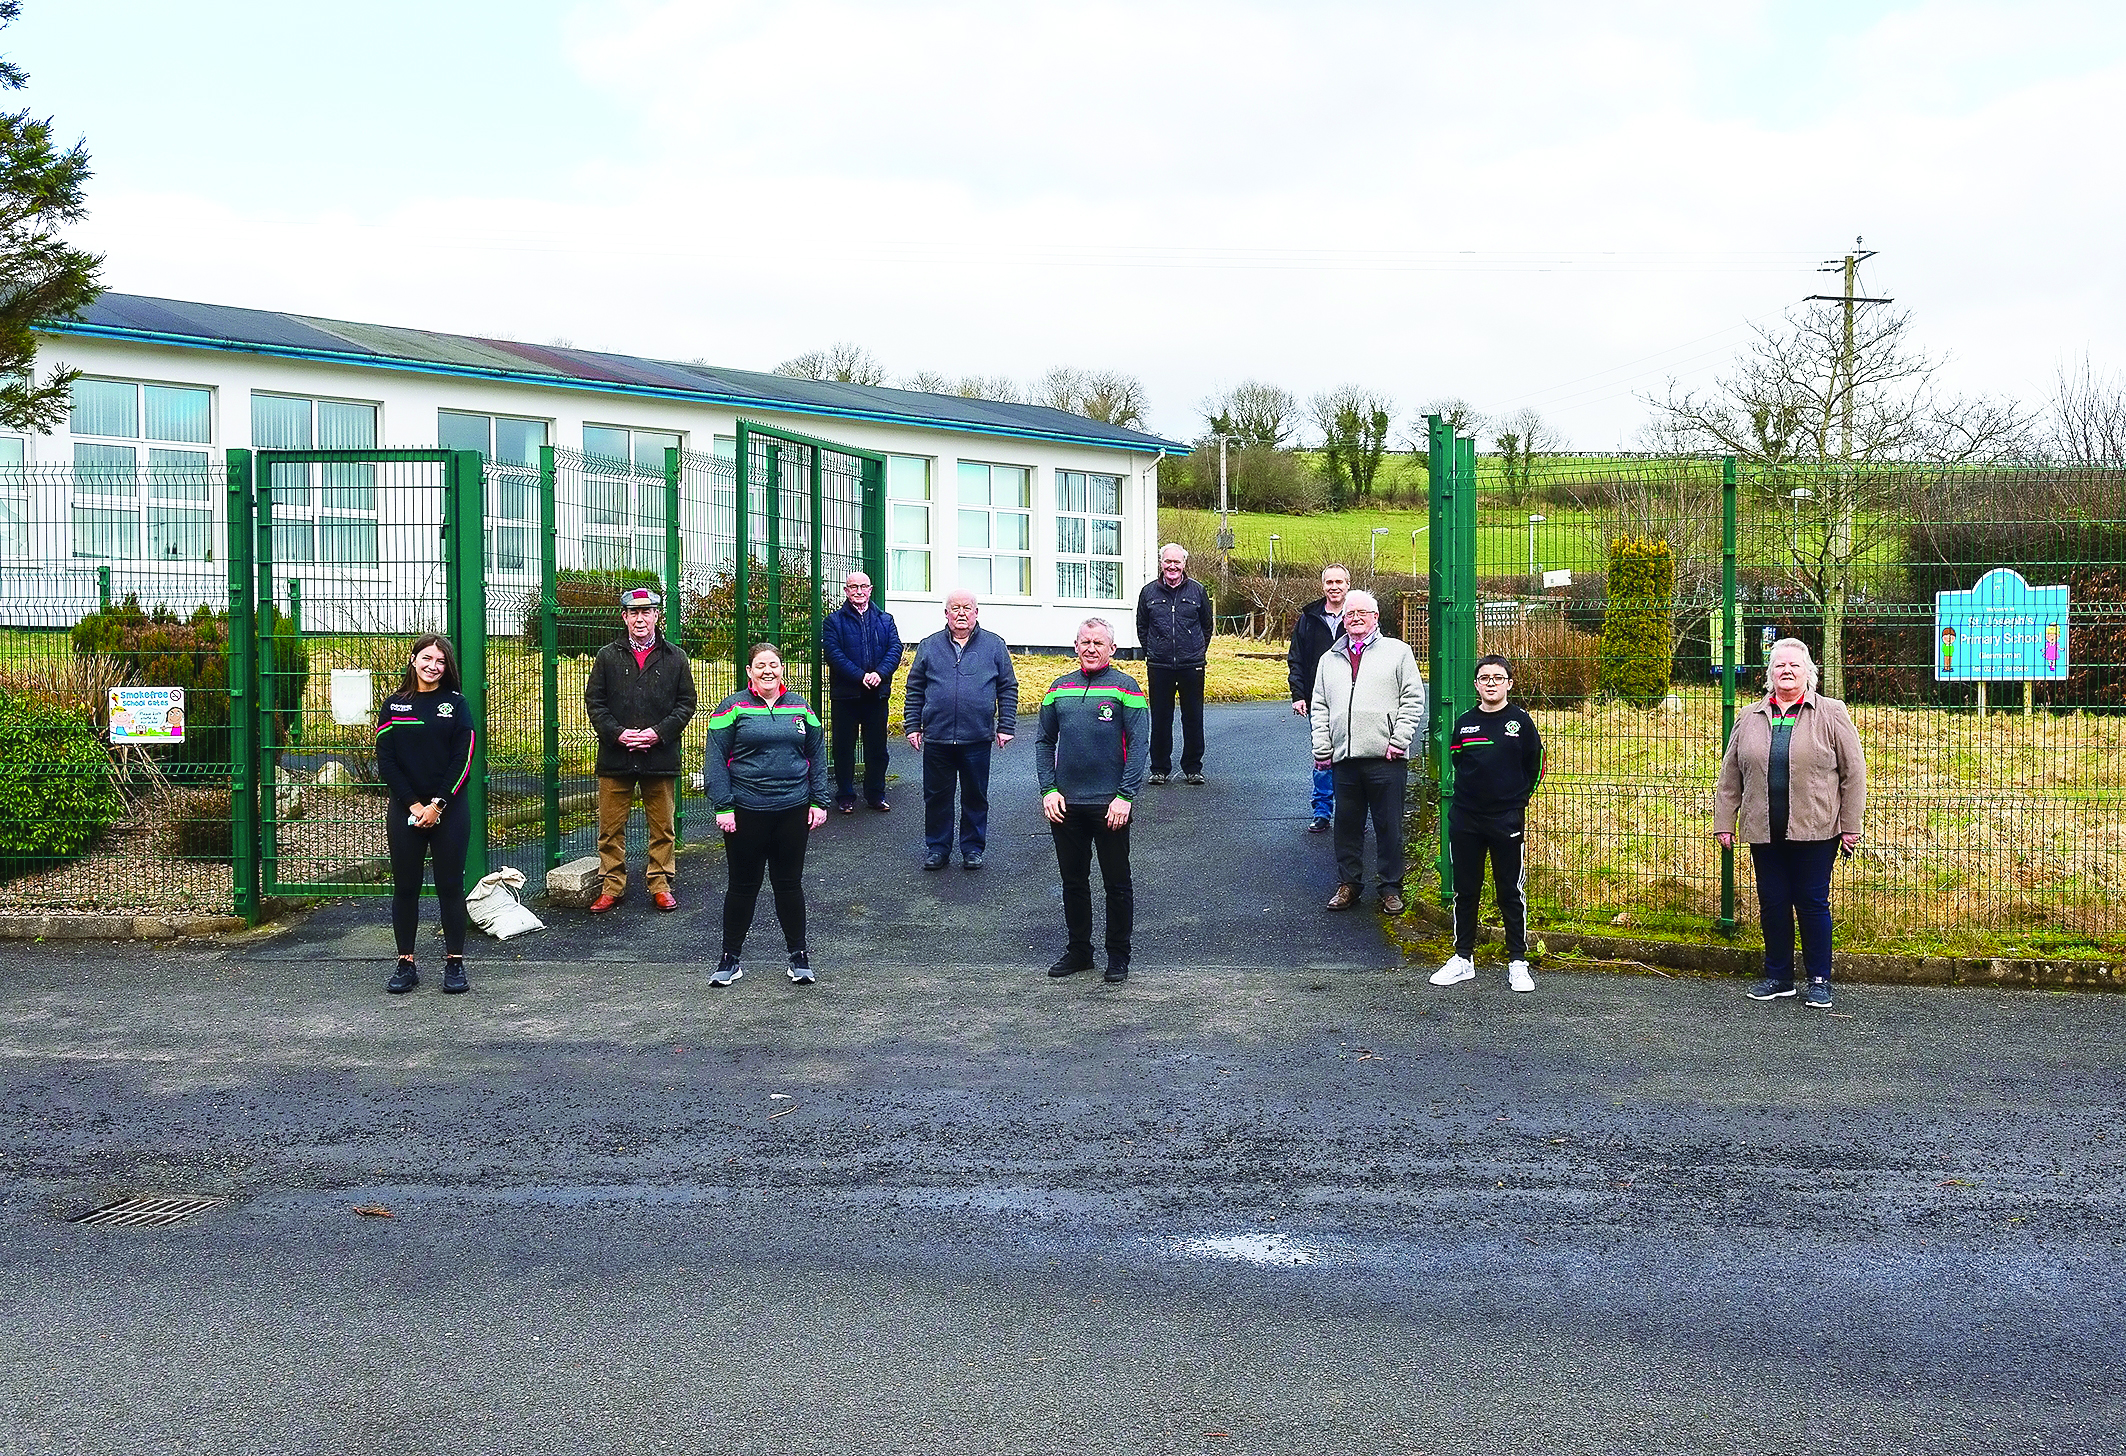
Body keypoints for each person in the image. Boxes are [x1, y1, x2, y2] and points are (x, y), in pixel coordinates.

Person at [1715, 637, 1866, 1009]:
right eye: (1779, 665)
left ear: (1809, 672)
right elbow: (1730, 773)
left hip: (1816, 828)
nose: (1786, 671)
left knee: (1812, 902)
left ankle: (1818, 980)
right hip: (1763, 827)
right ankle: (1779, 977)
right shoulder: (1749, 717)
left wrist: (1851, 825)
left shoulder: (1832, 713)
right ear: (1769, 674)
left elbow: (1854, 773)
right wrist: (1724, 821)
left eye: (1794, 665)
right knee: (1773, 902)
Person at [703, 642, 831, 987]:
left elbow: (817, 756)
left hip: (793, 809)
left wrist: (820, 801)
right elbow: (715, 758)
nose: (767, 671)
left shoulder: (801, 707)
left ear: (782, 668)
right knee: (742, 886)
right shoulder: (732, 707)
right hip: (745, 812)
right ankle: (730, 959)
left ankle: (798, 958)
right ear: (749, 671)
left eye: (773, 664)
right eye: (760, 665)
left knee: (789, 884)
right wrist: (724, 805)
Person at [1036, 617, 1149, 984]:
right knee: (1073, 881)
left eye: (1098, 643)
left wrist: (1125, 796)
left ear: (1112, 649)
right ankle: (1080, 952)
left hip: (1110, 805)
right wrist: (1048, 790)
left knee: (1117, 883)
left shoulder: (1126, 689)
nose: (1090, 648)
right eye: (1085, 642)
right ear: (1075, 645)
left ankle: (1118, 956)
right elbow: (1043, 742)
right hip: (1066, 805)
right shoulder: (1058, 689)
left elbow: (1139, 746)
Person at [1430, 654, 1546, 994]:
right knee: (1466, 891)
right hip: (1466, 819)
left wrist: (1516, 801)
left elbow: (1535, 765)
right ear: (1476, 685)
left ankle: (1517, 962)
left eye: (1498, 677)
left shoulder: (1520, 723)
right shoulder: (1465, 723)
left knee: (1509, 891)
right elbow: (1456, 759)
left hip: (1506, 819)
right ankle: (1463, 959)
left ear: (1509, 683)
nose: (1491, 683)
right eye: (1484, 678)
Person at [1310, 590, 1426, 916]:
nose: (1356, 618)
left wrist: (1399, 739)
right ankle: (1349, 884)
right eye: (1350, 614)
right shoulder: (1329, 659)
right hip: (1344, 758)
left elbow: (1413, 699)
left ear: (1376, 617)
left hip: (1386, 756)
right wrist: (1323, 747)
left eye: (1363, 612)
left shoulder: (1398, 653)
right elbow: (1319, 706)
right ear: (1342, 619)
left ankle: (1390, 888)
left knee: (1388, 825)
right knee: (1346, 824)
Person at [582, 586, 698, 914]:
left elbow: (685, 703)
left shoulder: (675, 657)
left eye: (646, 612)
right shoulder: (607, 656)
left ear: (657, 616)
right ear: (624, 617)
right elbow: (595, 702)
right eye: (633, 612)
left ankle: (660, 884)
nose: (640, 619)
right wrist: (617, 734)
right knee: (610, 828)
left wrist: (657, 733)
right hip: (615, 756)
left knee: (662, 827)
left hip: (658, 756)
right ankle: (612, 886)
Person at [375, 634, 477, 995]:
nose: (433, 667)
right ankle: (406, 963)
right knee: (406, 888)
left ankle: (455, 963)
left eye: (441, 661)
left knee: (450, 887)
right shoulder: (394, 705)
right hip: (406, 810)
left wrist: (438, 805)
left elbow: (462, 759)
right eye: (427, 659)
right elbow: (385, 760)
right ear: (413, 660)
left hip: (449, 810)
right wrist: (414, 805)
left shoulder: (457, 704)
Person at [903, 590, 1019, 870]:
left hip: (977, 737)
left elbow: (1007, 687)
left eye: (967, 607)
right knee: (937, 797)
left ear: (976, 613)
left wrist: (1005, 725)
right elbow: (915, 688)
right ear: (946, 614)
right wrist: (912, 725)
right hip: (938, 737)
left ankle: (972, 848)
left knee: (975, 796)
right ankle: (937, 848)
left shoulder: (994, 645)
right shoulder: (929, 646)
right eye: (955, 608)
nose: (961, 613)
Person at [822, 569, 903, 814]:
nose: (858, 591)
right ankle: (845, 796)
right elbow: (833, 654)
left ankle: (876, 794)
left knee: (877, 748)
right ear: (846, 591)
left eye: (863, 586)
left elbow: (895, 649)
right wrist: (861, 676)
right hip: (846, 695)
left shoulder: (885, 620)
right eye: (853, 587)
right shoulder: (833, 621)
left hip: (876, 695)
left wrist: (879, 674)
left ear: (870, 590)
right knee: (843, 748)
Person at [1135, 542, 1215, 786]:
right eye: (1168, 561)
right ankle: (1159, 768)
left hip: (1192, 665)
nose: (1172, 566)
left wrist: (1197, 650)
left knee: (1193, 717)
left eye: (1176, 562)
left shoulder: (1198, 591)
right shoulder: (1148, 593)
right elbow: (1142, 627)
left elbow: (1207, 626)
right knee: (1160, 717)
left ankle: (1193, 768)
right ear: (1161, 563)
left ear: (1184, 564)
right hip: (1159, 666)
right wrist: (1153, 651)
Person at [1286, 564, 1351, 833]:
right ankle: (1322, 811)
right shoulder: (1309, 618)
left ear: (1348, 584)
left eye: (1339, 582)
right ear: (1322, 585)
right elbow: (1296, 659)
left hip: (1353, 700)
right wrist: (1299, 695)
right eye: (1329, 582)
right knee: (1323, 756)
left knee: (1351, 758)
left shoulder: (1360, 615)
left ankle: (1350, 813)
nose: (1334, 587)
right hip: (1319, 699)